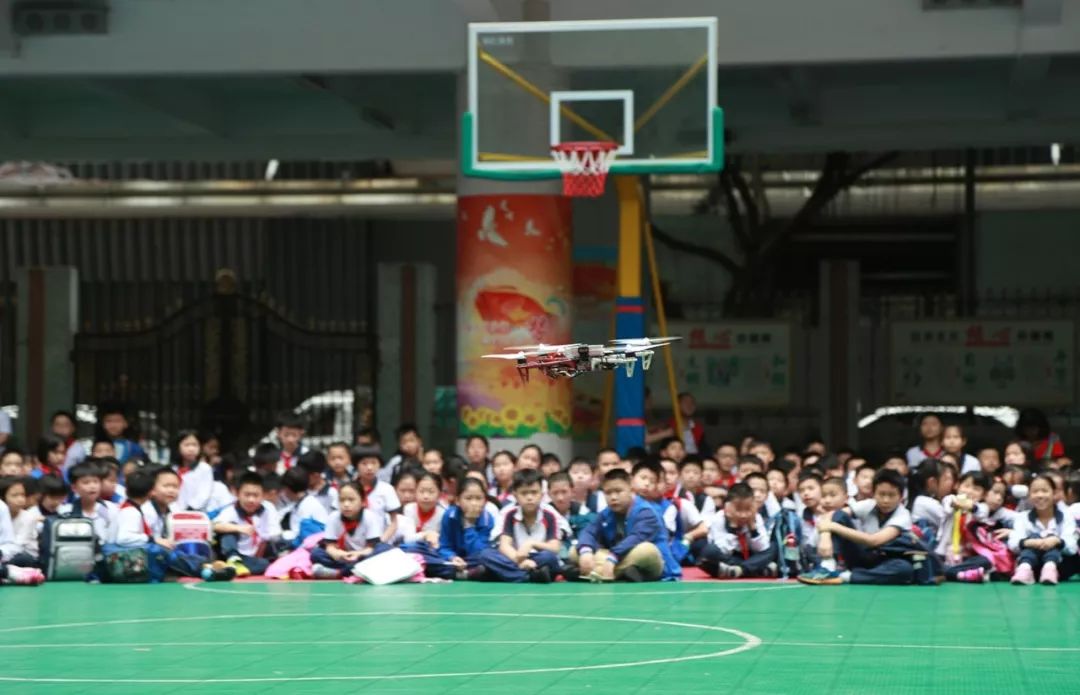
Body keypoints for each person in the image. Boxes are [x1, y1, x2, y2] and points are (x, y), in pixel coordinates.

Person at [800, 469, 920, 586]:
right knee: (839, 515)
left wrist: (834, 527)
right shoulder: (868, 504)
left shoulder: (903, 515)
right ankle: (828, 567)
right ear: (873, 493)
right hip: (862, 554)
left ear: (901, 497)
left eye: (891, 495)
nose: (885, 500)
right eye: (881, 494)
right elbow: (832, 515)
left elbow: (874, 541)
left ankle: (846, 576)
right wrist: (825, 535)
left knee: (904, 569)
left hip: (887, 560)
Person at [575, 469, 679, 583]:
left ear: (631, 489)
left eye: (618, 491)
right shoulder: (607, 513)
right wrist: (586, 551)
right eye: (608, 493)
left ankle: (594, 571)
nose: (613, 497)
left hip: (652, 564)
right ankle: (616, 573)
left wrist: (612, 557)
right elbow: (589, 531)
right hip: (619, 559)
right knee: (574, 551)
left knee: (646, 550)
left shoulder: (646, 512)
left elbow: (635, 539)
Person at [494, 469, 563, 583]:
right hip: (516, 556)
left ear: (542, 494)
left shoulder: (549, 515)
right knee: (486, 555)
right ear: (515, 495)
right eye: (524, 493)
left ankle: (512, 574)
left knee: (550, 557)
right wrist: (519, 561)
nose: (530, 497)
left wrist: (531, 543)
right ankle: (530, 576)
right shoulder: (510, 515)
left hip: (539, 557)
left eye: (534, 492)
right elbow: (504, 545)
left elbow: (555, 547)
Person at [310, 482, 390, 579]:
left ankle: (339, 573)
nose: (346, 504)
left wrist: (357, 554)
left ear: (363, 501)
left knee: (384, 549)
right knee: (316, 554)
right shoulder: (333, 517)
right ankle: (354, 571)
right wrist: (341, 554)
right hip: (344, 556)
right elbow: (330, 547)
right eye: (342, 500)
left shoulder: (369, 517)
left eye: (351, 500)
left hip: (363, 556)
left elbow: (371, 548)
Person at [1008, 474, 1076, 585]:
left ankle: (1049, 569)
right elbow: (1013, 543)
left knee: (1052, 538)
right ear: (1029, 495)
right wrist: (1029, 542)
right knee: (1034, 537)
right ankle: (1025, 570)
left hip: (1059, 566)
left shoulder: (1066, 516)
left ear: (1054, 493)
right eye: (1035, 491)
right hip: (1031, 566)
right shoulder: (1022, 517)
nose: (1040, 495)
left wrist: (1056, 541)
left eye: (1045, 491)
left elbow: (1072, 546)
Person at [213, 472, 283, 577]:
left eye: (256, 495)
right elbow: (214, 526)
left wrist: (263, 535)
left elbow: (276, 533)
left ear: (263, 495)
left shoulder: (268, 509)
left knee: (267, 562)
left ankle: (229, 569)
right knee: (228, 530)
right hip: (234, 554)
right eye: (247, 495)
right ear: (237, 494)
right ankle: (233, 561)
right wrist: (238, 528)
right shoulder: (230, 511)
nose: (251, 500)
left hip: (255, 556)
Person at [699, 482, 775, 578]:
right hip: (731, 556)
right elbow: (723, 549)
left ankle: (739, 570)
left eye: (748, 509)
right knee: (709, 551)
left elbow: (762, 548)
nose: (743, 515)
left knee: (773, 547)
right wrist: (733, 527)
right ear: (728, 506)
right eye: (738, 509)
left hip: (752, 555)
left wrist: (752, 528)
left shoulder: (756, 517)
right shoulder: (719, 518)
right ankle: (758, 570)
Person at [59, 461, 116, 544]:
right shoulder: (66, 512)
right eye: (86, 482)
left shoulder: (110, 509)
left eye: (96, 482)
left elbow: (112, 539)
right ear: (74, 488)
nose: (92, 486)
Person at [352, 449, 401, 544]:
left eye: (374, 463)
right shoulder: (348, 489)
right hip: (353, 542)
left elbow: (394, 523)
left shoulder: (387, 489)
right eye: (364, 463)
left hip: (380, 541)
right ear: (356, 465)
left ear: (379, 465)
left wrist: (379, 542)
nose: (369, 467)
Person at [280, 466, 329, 547]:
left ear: (288, 489)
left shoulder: (308, 506)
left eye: (284, 489)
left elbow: (302, 536)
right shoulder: (297, 504)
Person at [173, 431, 214, 512]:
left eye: (195, 445)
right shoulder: (174, 468)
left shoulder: (204, 468)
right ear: (178, 447)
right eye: (187, 445)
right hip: (174, 511)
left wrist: (190, 508)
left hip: (195, 511)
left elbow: (204, 493)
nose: (191, 449)